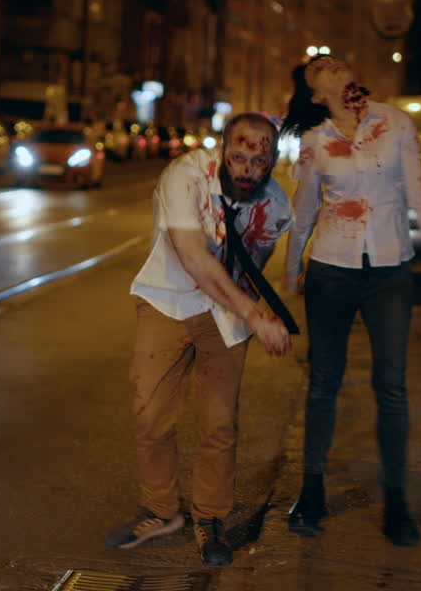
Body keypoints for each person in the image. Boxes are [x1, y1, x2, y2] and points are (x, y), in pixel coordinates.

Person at [281, 55, 421, 546]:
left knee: (392, 385)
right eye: (322, 68)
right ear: (315, 92)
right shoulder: (314, 140)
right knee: (324, 382)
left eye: (339, 61)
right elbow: (303, 213)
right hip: (330, 270)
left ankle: (396, 501)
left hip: (389, 270)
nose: (336, 66)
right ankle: (312, 489)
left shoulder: (396, 123)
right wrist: (291, 272)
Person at [105, 113, 294, 566]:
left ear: (272, 159)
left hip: (224, 316)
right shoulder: (184, 178)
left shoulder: (276, 205)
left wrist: (245, 311)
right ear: (222, 149)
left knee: (219, 424)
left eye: (260, 161)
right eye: (239, 157)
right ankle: (160, 510)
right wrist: (255, 315)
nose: (249, 170)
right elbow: (191, 256)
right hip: (166, 300)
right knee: (150, 414)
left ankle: (211, 518)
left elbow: (253, 263)